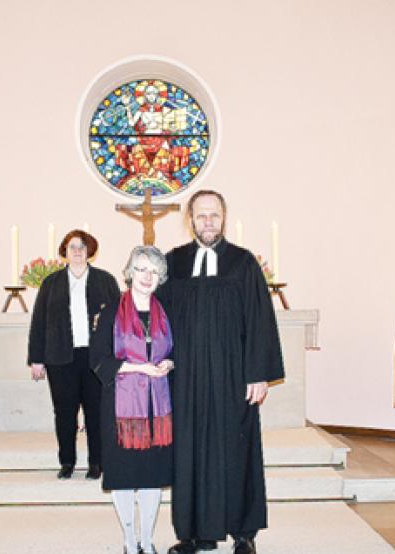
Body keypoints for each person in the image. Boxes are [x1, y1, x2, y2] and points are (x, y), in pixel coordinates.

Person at [160, 190, 284, 554]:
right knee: (189, 452)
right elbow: (159, 319)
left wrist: (258, 374)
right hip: (186, 378)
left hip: (233, 376)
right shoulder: (174, 263)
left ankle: (243, 533)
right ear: (190, 220)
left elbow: (260, 319)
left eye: (214, 215)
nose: (208, 221)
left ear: (224, 218)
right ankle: (194, 534)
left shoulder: (243, 263)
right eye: (201, 215)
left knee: (237, 450)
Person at [91, 245, 175, 554]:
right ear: (130, 272)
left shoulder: (167, 310)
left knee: (152, 475)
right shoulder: (111, 311)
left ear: (160, 277)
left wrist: (170, 363)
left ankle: (147, 542)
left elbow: (178, 350)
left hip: (158, 408)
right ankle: (129, 541)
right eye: (141, 269)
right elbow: (98, 359)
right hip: (120, 409)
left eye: (154, 271)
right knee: (125, 476)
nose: (147, 276)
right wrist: (139, 368)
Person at [28, 229, 121, 479]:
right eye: (72, 247)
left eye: (82, 247)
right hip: (60, 358)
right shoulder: (51, 283)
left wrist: (118, 356)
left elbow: (119, 320)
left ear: (90, 251)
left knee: (96, 411)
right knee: (64, 413)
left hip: (96, 359)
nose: (77, 251)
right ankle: (67, 461)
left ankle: (97, 463)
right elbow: (38, 322)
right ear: (65, 252)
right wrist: (36, 359)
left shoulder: (105, 280)